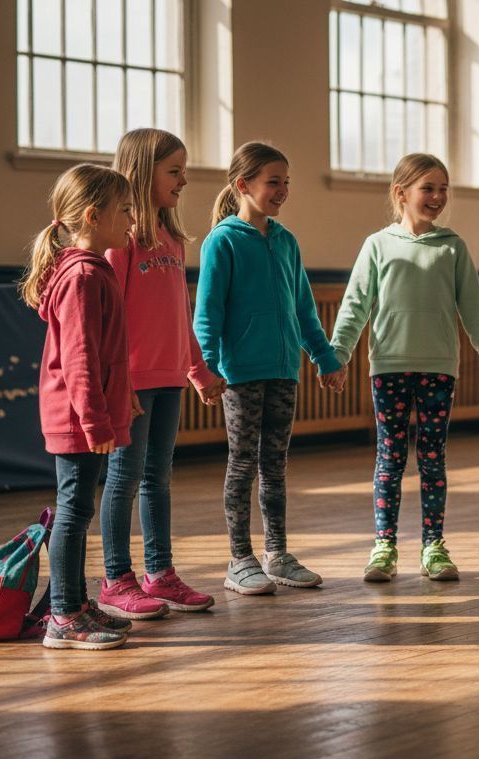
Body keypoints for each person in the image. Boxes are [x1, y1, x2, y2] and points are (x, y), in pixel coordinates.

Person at [329, 153, 479, 583]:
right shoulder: (377, 244)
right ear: (402, 193)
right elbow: (355, 305)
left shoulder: (452, 246)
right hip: (388, 369)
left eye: (443, 188)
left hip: (438, 370)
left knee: (432, 460)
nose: (437, 196)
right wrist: (337, 355)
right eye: (427, 188)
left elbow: (474, 311)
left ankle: (434, 546)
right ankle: (383, 547)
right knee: (390, 458)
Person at [194, 141, 345, 596]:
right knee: (242, 464)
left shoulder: (285, 241)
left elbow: (303, 311)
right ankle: (240, 559)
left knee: (275, 465)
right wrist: (206, 368)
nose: (283, 190)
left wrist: (325, 357)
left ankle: (276, 554)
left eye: (286, 182)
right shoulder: (222, 241)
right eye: (273, 181)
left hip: (284, 372)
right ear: (243, 185)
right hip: (239, 374)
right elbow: (208, 313)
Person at [97, 128, 222, 620]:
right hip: (131, 382)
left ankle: (160, 573)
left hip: (169, 378)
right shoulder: (120, 242)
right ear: (143, 173)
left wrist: (198, 370)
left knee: (158, 478)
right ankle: (115, 579)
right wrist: (119, 381)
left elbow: (178, 313)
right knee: (123, 477)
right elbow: (111, 319)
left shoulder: (171, 238)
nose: (184, 180)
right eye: (175, 171)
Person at [19, 163, 138, 650]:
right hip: (76, 417)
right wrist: (94, 419)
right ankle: (63, 618)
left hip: (89, 413)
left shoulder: (93, 270)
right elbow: (80, 357)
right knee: (72, 513)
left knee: (79, 510)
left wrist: (122, 393)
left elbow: (106, 349)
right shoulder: (82, 276)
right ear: (92, 216)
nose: (132, 220)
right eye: (125, 211)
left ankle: (75, 601)